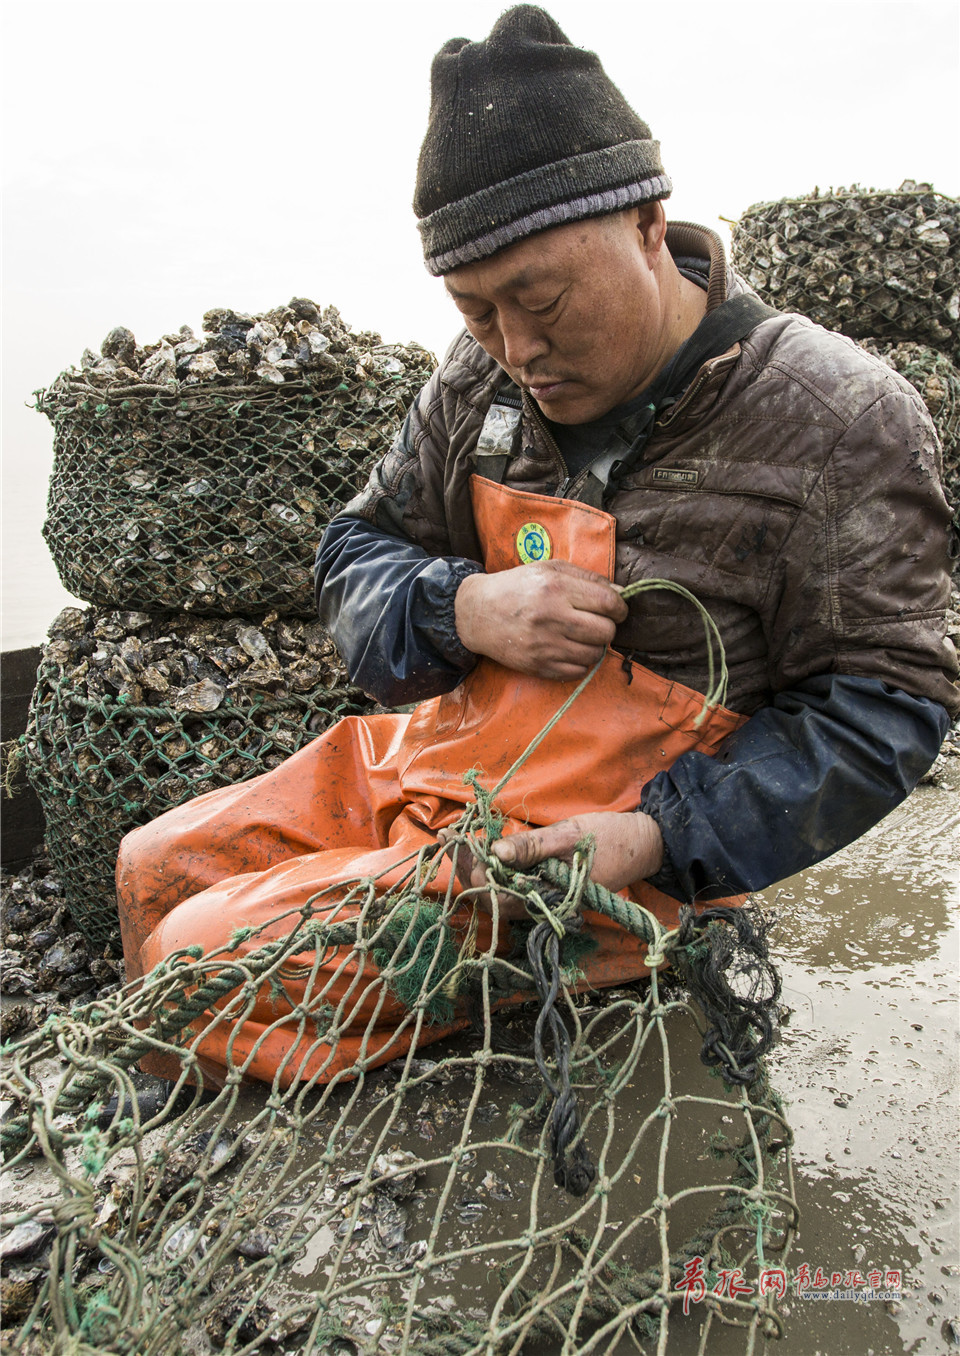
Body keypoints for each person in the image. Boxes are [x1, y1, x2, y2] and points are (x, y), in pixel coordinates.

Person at [117, 5, 958, 1086]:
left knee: (200, 960)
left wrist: (657, 839)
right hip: (436, 769)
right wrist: (462, 608)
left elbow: (890, 707)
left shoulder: (836, 415)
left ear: (648, 223)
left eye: (541, 299)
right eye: (475, 311)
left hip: (595, 850)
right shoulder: (478, 377)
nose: (519, 351)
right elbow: (353, 552)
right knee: (153, 868)